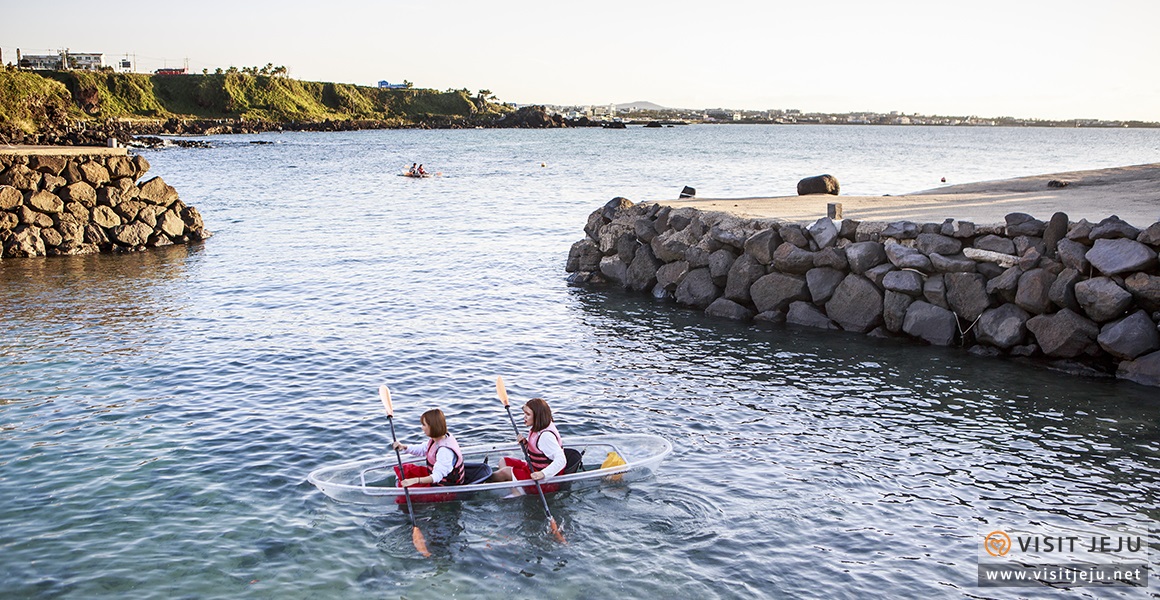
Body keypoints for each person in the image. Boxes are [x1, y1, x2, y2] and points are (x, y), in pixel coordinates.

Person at [489, 397, 570, 494]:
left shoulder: (546, 436)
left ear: (538, 417)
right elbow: (539, 452)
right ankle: (516, 489)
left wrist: (542, 474)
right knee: (504, 461)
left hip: (544, 482)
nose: (524, 417)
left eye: (528, 414)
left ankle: (482, 484)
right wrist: (526, 444)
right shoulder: (539, 428)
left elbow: (561, 460)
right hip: (533, 468)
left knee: (504, 472)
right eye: (524, 413)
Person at [392, 408, 465, 488]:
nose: (422, 428)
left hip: (444, 487)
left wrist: (415, 480)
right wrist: (404, 447)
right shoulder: (438, 439)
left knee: (404, 494)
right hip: (434, 477)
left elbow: (437, 476)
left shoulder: (444, 451)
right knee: (405, 469)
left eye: (424, 425)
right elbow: (423, 448)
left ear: (432, 427)